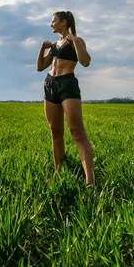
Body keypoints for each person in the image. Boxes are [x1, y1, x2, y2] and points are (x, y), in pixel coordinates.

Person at [36, 10, 95, 187]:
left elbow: (85, 61)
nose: (50, 24)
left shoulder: (76, 41)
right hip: (50, 84)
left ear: (63, 22)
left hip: (67, 84)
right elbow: (40, 67)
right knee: (55, 132)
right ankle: (59, 173)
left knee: (77, 133)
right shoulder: (54, 45)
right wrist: (42, 49)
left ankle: (90, 182)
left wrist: (75, 41)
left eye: (53, 21)